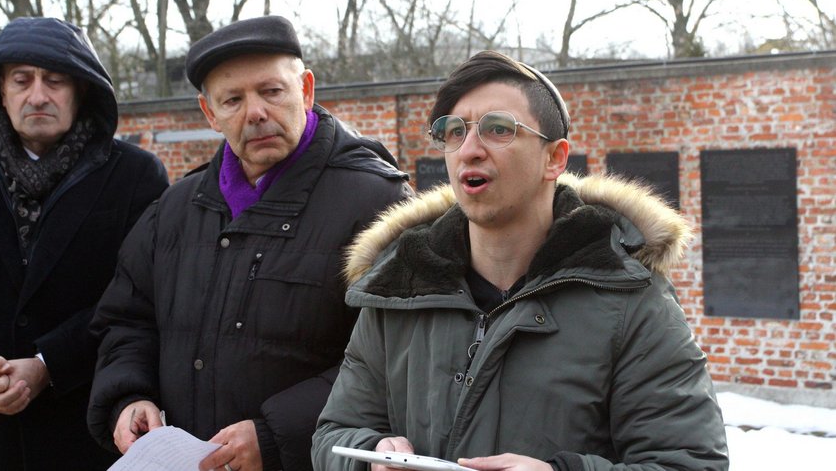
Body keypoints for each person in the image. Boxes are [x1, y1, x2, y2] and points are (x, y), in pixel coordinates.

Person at [312, 50, 729, 471]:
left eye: (498, 128)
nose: (469, 150)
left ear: (555, 158)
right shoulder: (399, 286)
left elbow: (691, 462)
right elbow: (334, 433)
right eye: (454, 132)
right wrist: (371, 456)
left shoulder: (631, 300)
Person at [88, 15, 413, 471]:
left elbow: (401, 356)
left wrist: (275, 436)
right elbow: (127, 320)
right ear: (209, 113)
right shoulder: (174, 210)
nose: (255, 112)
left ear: (306, 89)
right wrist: (129, 395)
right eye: (233, 100)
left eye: (271, 91)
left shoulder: (379, 204)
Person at [0, 17, 169, 471]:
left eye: (54, 81)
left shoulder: (135, 175)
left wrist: (49, 363)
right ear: (1, 91)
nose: (37, 95)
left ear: (81, 90)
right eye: (21, 80)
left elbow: (141, 294)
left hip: (89, 426)